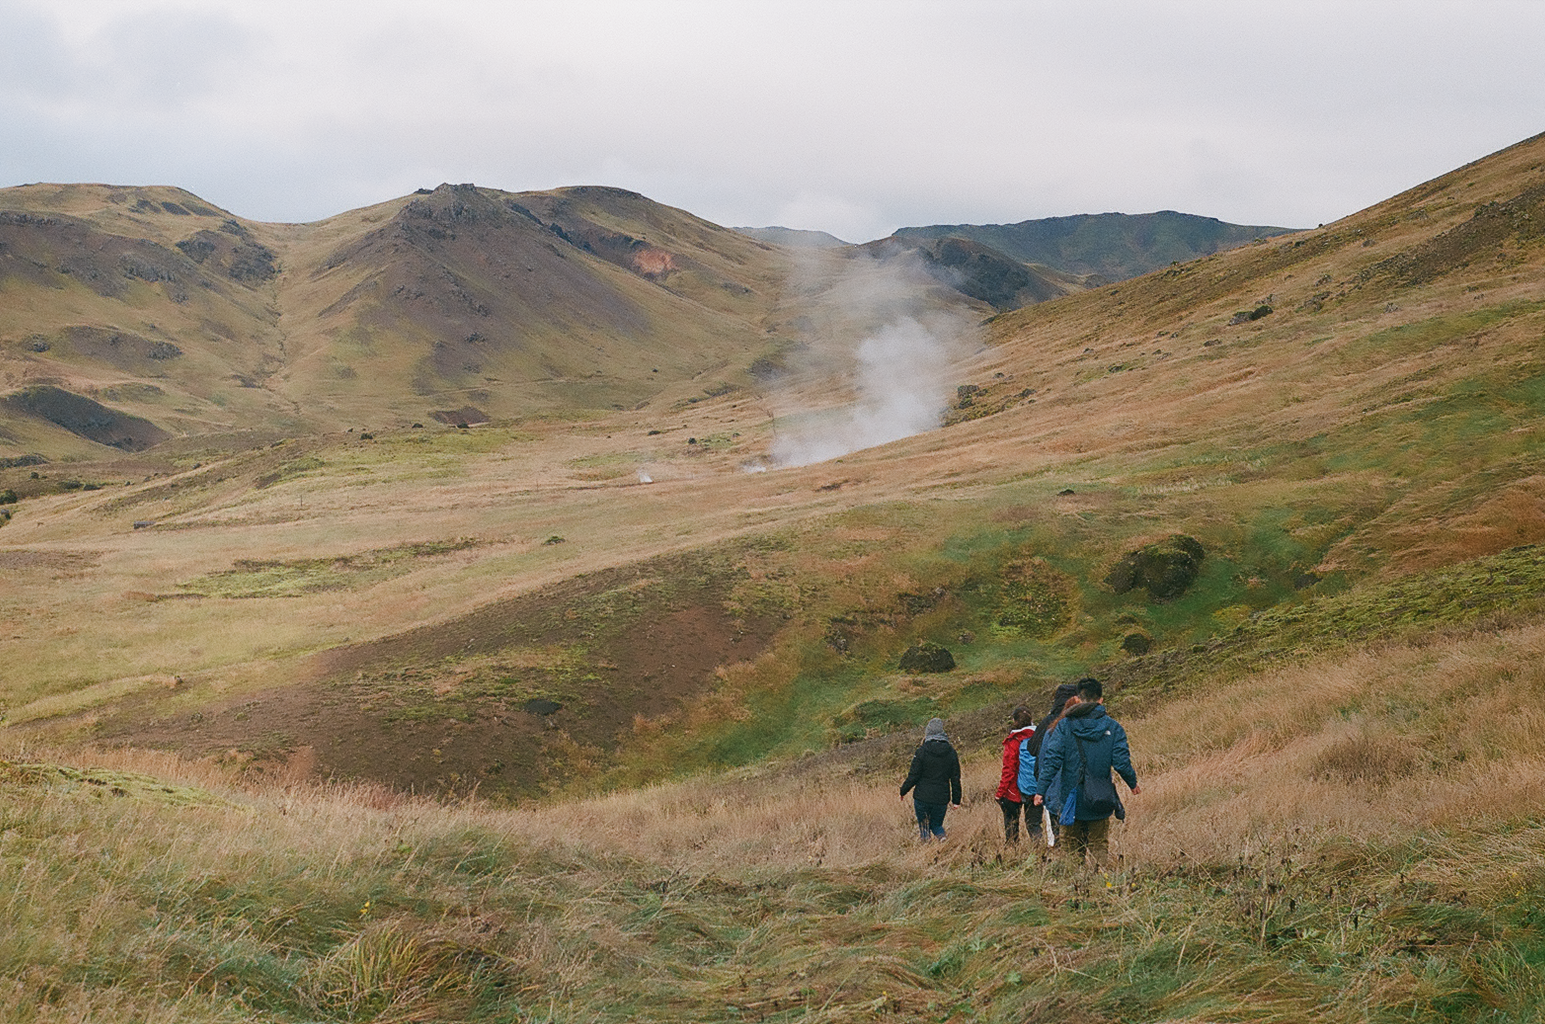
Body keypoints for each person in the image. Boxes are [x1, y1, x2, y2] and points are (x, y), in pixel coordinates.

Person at [1033, 678, 1140, 869]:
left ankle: (1075, 888)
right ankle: (1104, 885)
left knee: (1071, 847)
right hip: (1100, 796)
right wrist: (1132, 783)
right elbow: (1121, 762)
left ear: (1078, 699)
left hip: (1070, 799)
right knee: (1099, 844)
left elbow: (1052, 760)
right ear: (1101, 699)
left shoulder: (1064, 726)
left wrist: (1041, 790)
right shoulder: (1113, 727)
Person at [1025, 682, 1080, 845]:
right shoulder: (1080, 723)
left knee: (1055, 830)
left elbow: (1032, 748)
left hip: (1049, 784)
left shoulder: (1047, 723)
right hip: (1073, 785)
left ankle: (1058, 855)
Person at [899, 717, 962, 841]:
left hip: (922, 797)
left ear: (928, 733)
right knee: (937, 826)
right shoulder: (951, 752)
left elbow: (913, 776)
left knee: (924, 827)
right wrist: (956, 800)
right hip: (941, 798)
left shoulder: (922, 751)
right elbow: (955, 778)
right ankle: (942, 839)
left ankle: (926, 846)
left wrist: (903, 791)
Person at [995, 705, 1037, 843]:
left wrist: (1000, 793)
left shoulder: (1013, 740)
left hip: (1013, 791)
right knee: (1034, 825)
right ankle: (1041, 852)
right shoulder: (1039, 737)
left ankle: (1013, 855)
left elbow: (1008, 770)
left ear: (1014, 720)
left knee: (1011, 825)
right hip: (1035, 788)